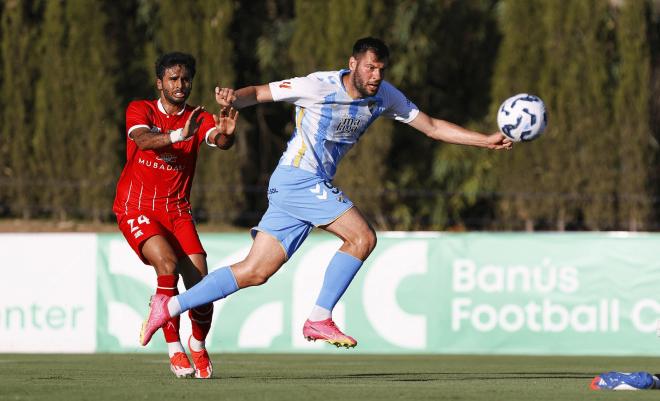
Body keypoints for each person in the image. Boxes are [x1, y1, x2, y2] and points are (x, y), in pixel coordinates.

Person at [139, 37, 511, 350]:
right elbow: (263, 93)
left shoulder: (384, 96)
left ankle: (168, 307)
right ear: (353, 64)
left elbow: (430, 126)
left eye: (381, 70)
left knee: (255, 271)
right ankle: (319, 317)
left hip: (298, 187)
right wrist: (234, 97)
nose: (376, 76)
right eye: (370, 68)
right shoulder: (319, 85)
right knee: (362, 237)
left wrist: (485, 141)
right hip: (299, 178)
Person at [113, 51, 238, 379]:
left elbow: (219, 141)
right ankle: (174, 350)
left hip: (177, 210)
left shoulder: (199, 117)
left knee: (202, 288)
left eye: (185, 79)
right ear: (160, 83)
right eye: (173, 79)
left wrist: (226, 133)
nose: (181, 85)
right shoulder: (141, 109)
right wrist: (178, 135)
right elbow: (142, 140)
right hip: (136, 206)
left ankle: (197, 344)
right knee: (166, 265)